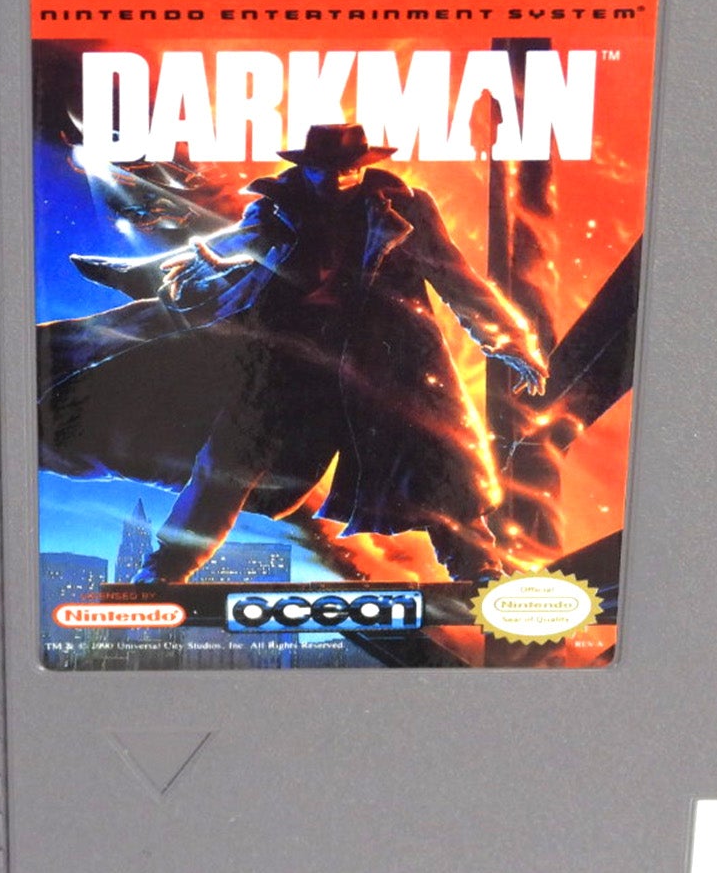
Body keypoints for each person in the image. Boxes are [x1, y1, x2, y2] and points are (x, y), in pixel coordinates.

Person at [36, 123, 548, 582]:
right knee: (228, 459)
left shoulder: (404, 210)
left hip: (379, 364)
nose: (337, 178)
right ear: (306, 167)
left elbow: (456, 279)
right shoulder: (277, 207)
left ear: (362, 166)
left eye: (347, 167)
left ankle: (477, 567)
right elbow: (231, 250)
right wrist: (146, 273)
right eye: (325, 168)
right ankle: (168, 567)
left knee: (438, 461)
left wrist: (509, 340)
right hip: (280, 361)